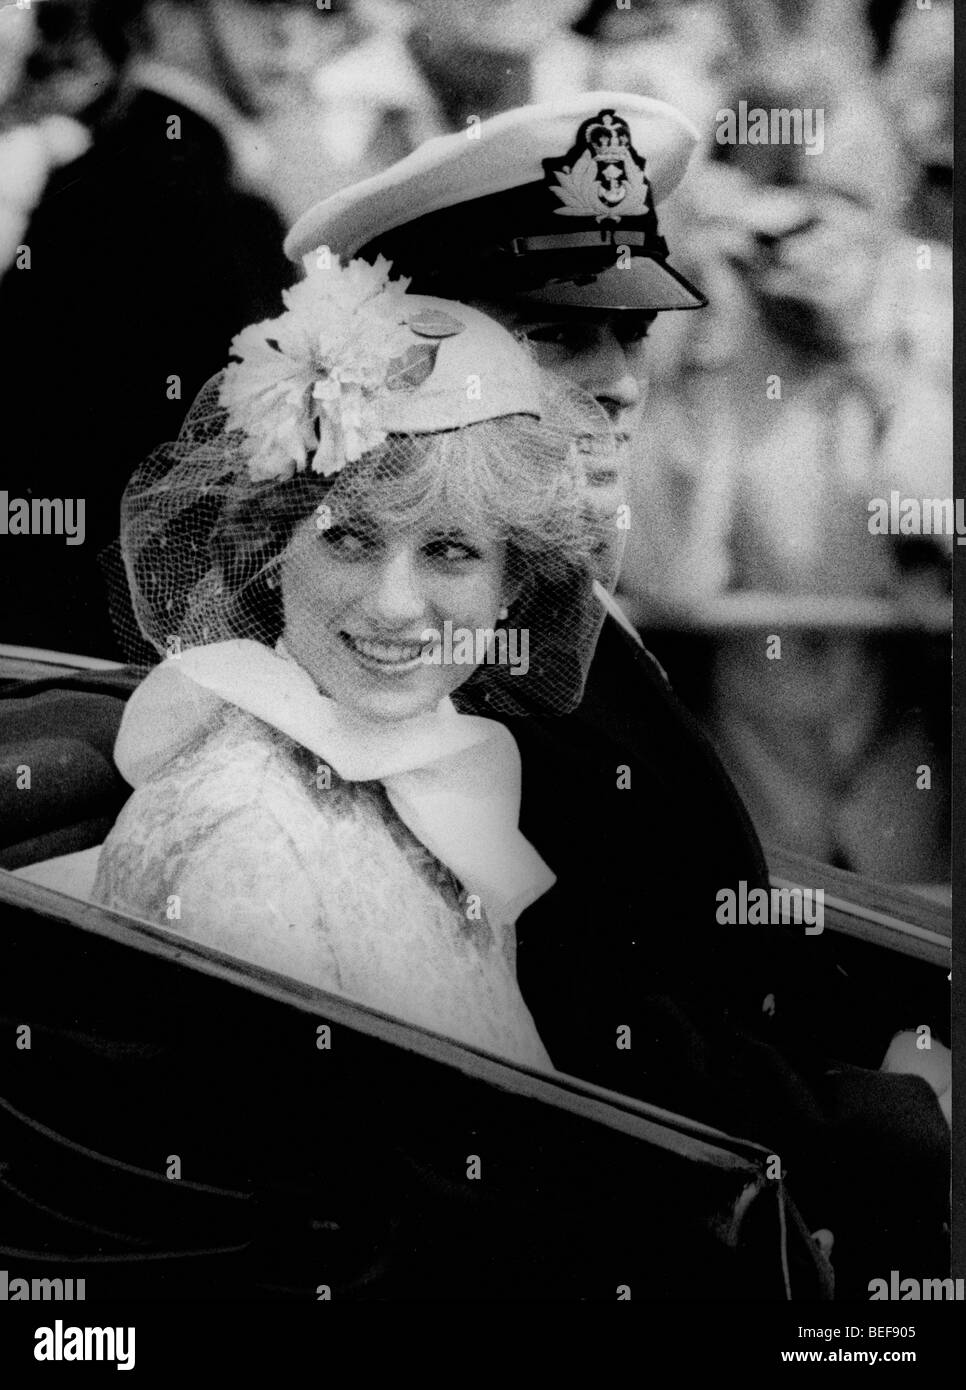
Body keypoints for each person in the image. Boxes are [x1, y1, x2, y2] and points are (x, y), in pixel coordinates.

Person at [282, 93, 950, 1292]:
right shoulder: (422, 633)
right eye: (554, 338)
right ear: (424, 360)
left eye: (632, 335)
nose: (620, 380)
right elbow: (578, 1014)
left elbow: (692, 904)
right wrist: (881, 1114)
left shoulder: (535, 580)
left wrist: (880, 1038)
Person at [91, 254, 617, 1070]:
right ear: (274, 547)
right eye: (348, 538)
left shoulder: (418, 770)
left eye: (450, 551)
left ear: (511, 581)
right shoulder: (251, 838)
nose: (394, 606)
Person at [0, 0, 332, 657]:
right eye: (265, 4)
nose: (295, 32)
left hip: (61, 633)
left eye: (321, 11)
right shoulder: (182, 198)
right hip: (114, 661)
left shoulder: (125, 174)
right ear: (164, 9)